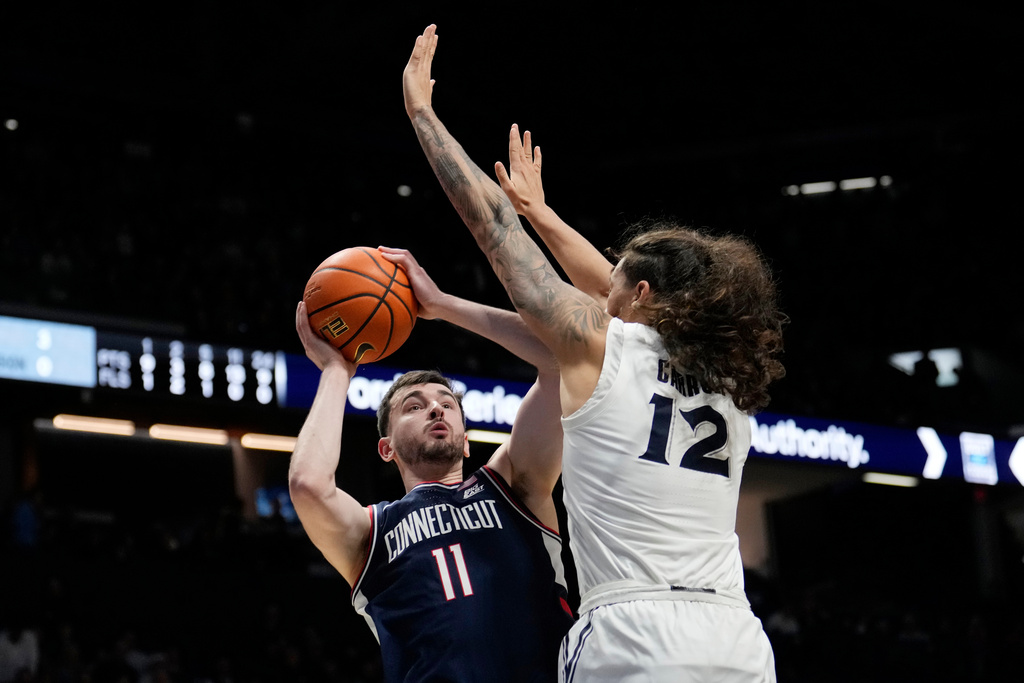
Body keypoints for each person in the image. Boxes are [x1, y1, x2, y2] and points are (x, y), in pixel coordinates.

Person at [404, 24, 786, 682]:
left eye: (613, 288)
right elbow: (612, 287)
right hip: (736, 639)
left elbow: (496, 232)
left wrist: (421, 115)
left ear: (640, 295)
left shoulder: (605, 345)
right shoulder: (726, 379)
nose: (599, 293)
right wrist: (543, 215)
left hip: (634, 637)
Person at [288, 247, 574, 683]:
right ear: (387, 449)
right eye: (415, 407)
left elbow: (559, 360)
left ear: (465, 443)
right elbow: (308, 483)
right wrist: (336, 371)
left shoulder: (514, 484)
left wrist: (441, 304)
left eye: (446, 404)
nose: (436, 410)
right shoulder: (371, 532)